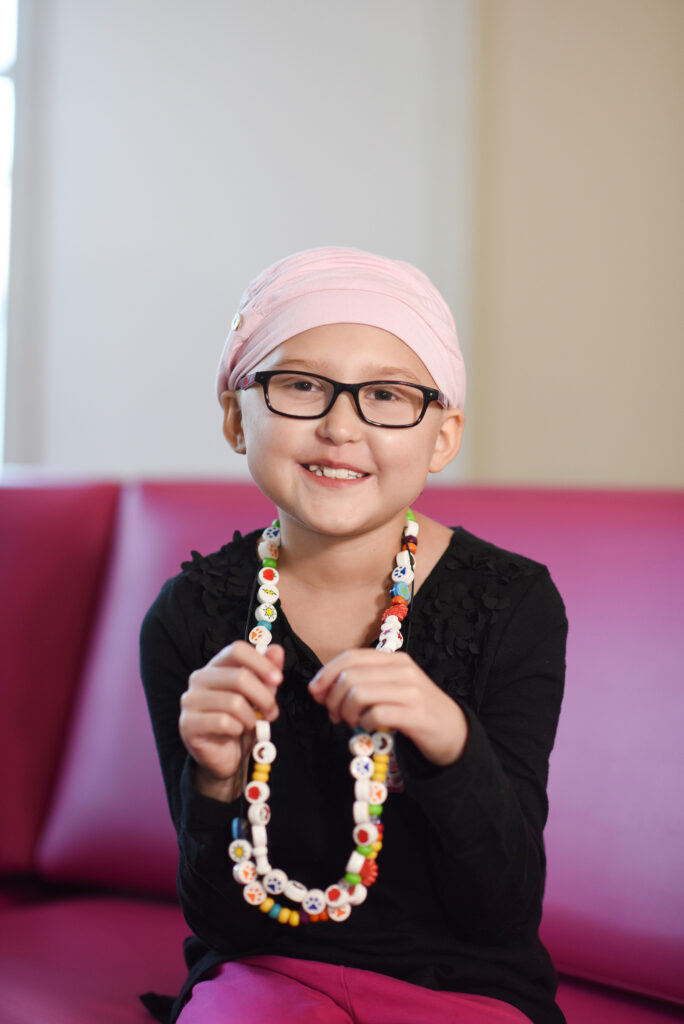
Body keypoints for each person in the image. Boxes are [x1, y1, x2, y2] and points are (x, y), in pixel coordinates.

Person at [140, 247, 568, 1024]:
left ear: (442, 435)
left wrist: (446, 736)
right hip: (267, 972)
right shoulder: (189, 618)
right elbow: (218, 924)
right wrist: (215, 779)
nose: (341, 425)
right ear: (239, 416)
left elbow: (503, 910)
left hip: (462, 986)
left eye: (387, 395)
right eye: (300, 385)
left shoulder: (512, 605)